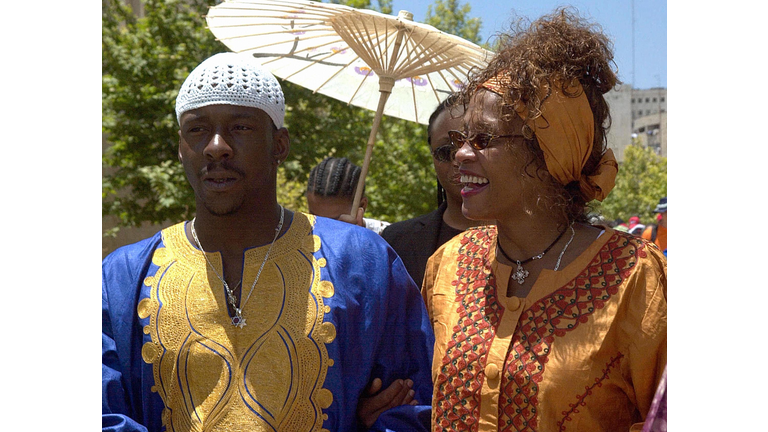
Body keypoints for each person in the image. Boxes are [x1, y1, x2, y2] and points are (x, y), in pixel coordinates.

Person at [101, 52, 434, 432]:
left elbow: (411, 406)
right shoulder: (122, 277)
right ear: (181, 147)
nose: (216, 146)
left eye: (240, 128)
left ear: (279, 145)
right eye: (197, 129)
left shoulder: (363, 261)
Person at [421, 9, 667, 431]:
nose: (460, 155)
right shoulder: (447, 265)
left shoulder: (636, 279)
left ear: (548, 152)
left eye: (484, 139)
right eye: (460, 140)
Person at [381, 95, 492, 286]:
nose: (460, 158)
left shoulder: (527, 237)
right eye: (445, 151)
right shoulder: (396, 242)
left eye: (476, 143)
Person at [306, 156, 390, 235]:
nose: (322, 231)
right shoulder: (300, 237)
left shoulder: (390, 242)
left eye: (334, 222)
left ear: (362, 206)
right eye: (316, 219)